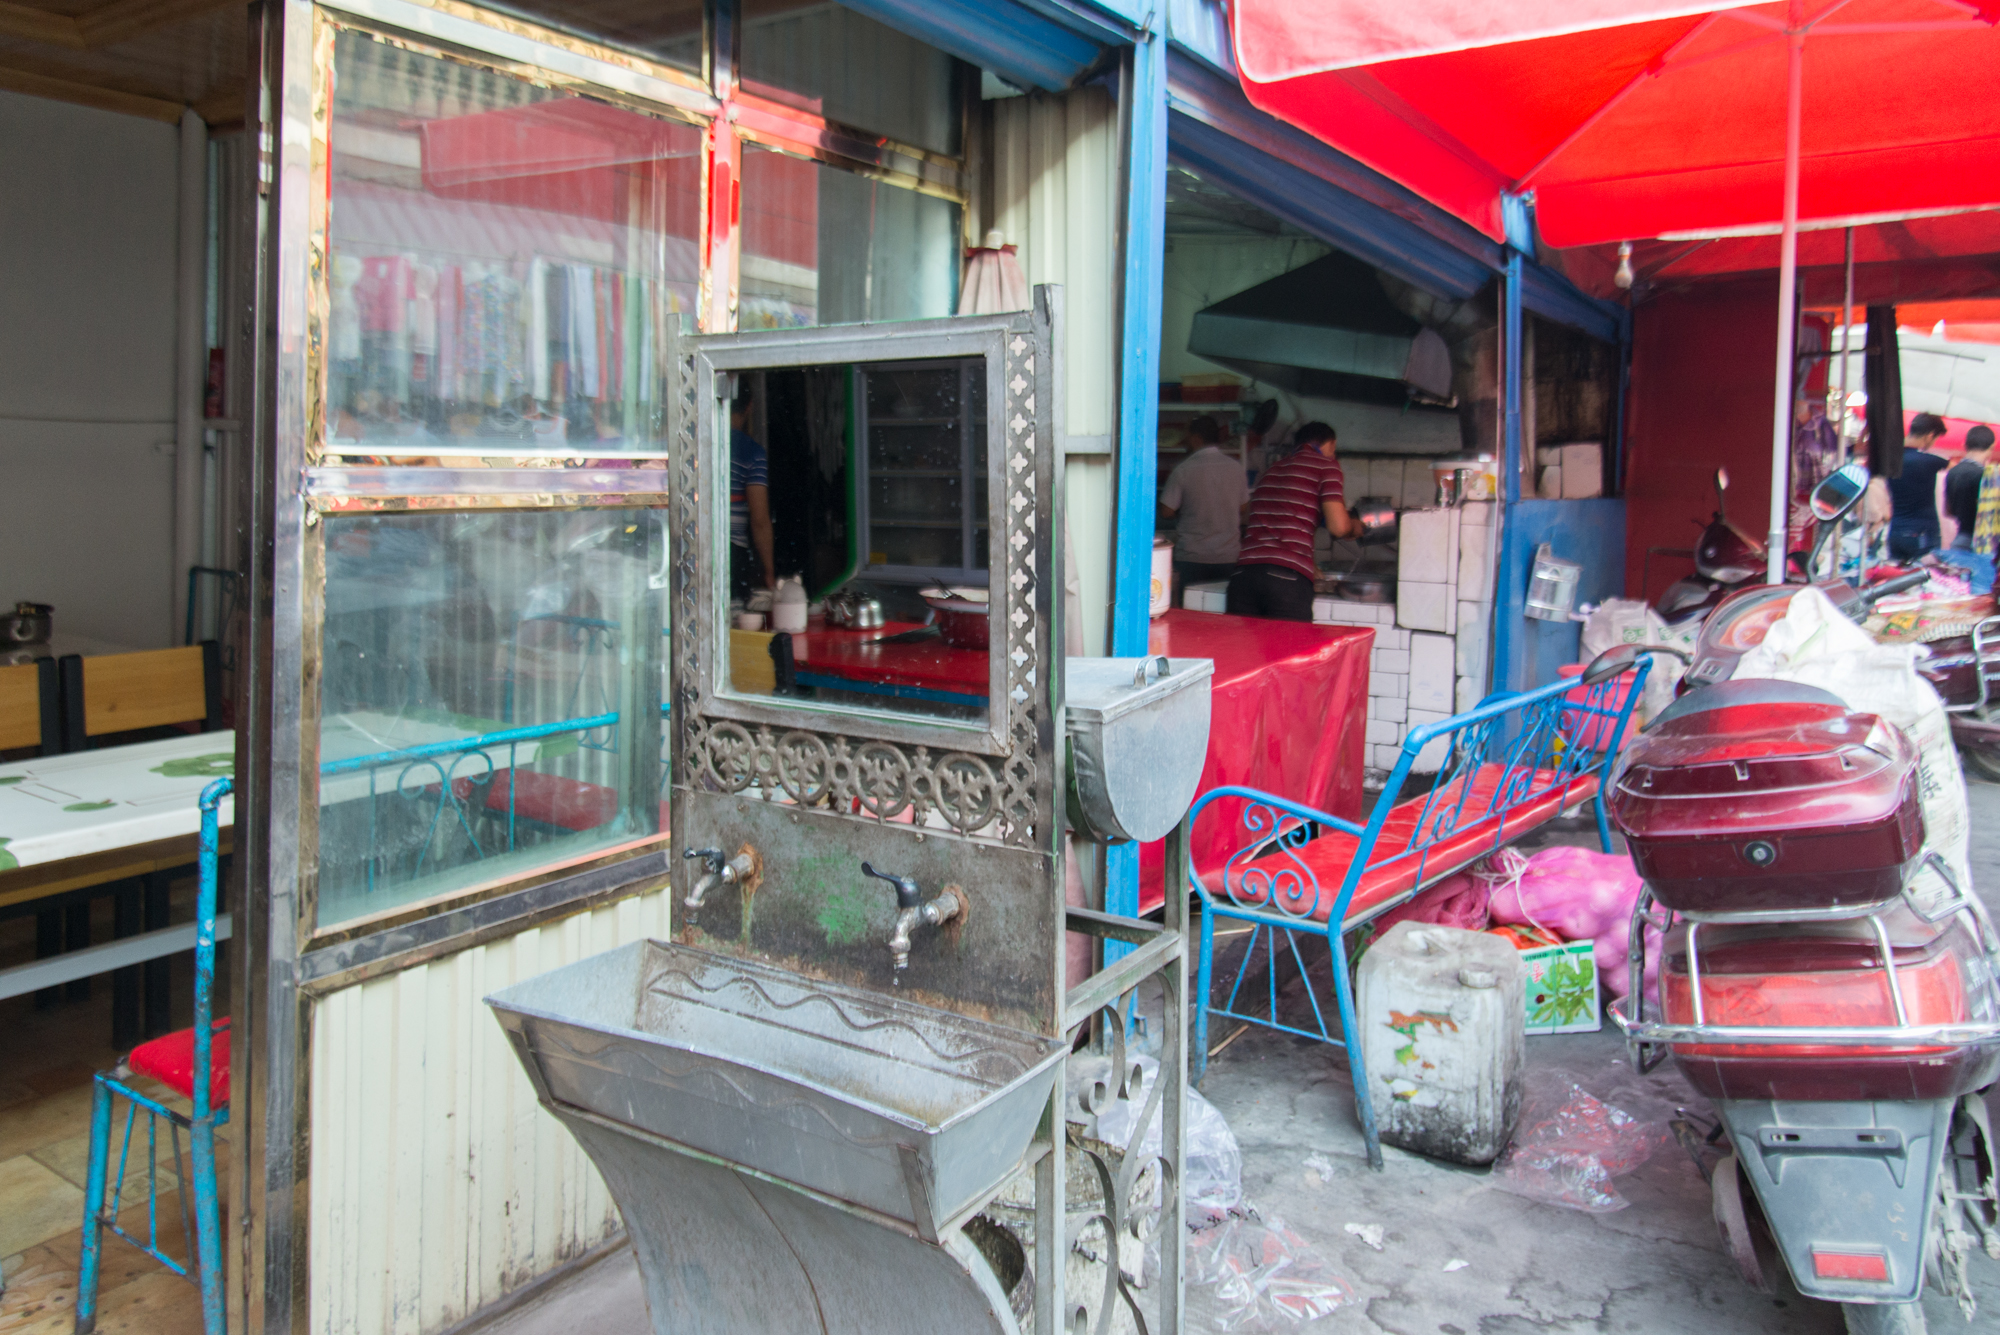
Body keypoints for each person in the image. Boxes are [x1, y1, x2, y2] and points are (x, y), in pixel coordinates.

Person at [1227, 421, 1356, 622]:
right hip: (1286, 581)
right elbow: (1338, 527)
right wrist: (1355, 527)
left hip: (1245, 576)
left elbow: (1252, 521)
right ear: (1331, 444)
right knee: (1290, 652)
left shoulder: (1271, 470)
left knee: (1243, 653)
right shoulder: (1327, 466)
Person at [1158, 415, 1249, 596]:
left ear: (1196, 438)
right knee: (1222, 613)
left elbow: (1166, 511)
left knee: (1192, 612)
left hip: (1193, 556)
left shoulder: (1184, 469)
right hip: (1228, 556)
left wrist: (1188, 510)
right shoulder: (1235, 467)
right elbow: (1243, 508)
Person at [1883, 412, 1951, 560]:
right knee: (1926, 577)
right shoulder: (1930, 461)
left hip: (1896, 531)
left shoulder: (1889, 460)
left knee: (1897, 579)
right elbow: (1957, 470)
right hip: (1922, 533)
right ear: (1930, 435)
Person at [730, 388, 775, 598]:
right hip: (732, 551)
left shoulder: (697, 445)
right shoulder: (751, 452)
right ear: (749, 406)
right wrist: (769, 571)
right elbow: (759, 519)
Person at [1946, 424, 1993, 550]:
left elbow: (1948, 511)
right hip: (1983, 542)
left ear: (1965, 445)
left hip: (1960, 538)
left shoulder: (1953, 471)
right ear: (1991, 447)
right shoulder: (1987, 476)